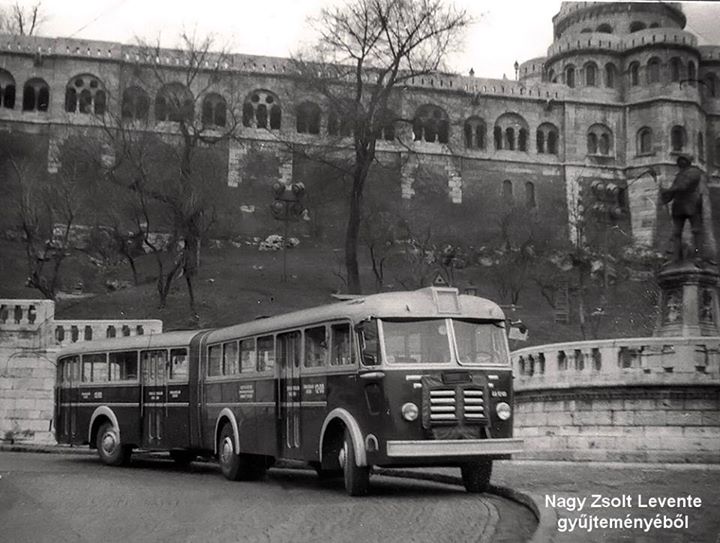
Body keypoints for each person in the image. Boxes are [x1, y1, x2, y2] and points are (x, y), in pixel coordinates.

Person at [659, 154, 717, 264]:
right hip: (678, 206)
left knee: (696, 231)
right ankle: (676, 257)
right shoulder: (679, 175)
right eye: (679, 160)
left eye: (683, 160)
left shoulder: (694, 172)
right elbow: (675, 190)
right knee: (676, 232)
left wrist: (668, 190)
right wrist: (665, 197)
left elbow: (683, 186)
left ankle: (698, 255)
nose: (680, 162)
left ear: (687, 161)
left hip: (692, 205)